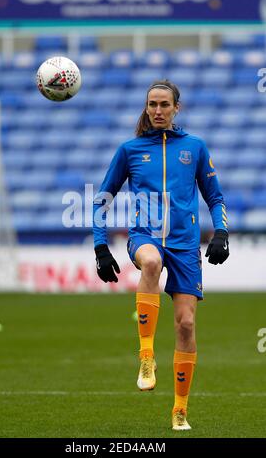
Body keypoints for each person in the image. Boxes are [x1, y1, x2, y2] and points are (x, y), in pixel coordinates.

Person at [92, 79, 229, 431]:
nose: (157, 110)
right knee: (150, 262)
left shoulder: (195, 147)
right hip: (145, 236)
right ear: (145, 107)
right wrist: (100, 246)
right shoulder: (130, 150)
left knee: (186, 324)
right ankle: (146, 356)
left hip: (185, 245)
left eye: (164, 105)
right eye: (152, 104)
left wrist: (221, 232)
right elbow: (103, 198)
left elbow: (214, 196)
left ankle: (179, 410)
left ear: (176, 108)